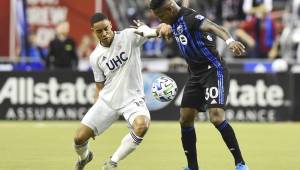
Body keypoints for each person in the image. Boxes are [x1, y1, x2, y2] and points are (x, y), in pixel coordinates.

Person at [149, 0, 249, 170]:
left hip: (213, 70)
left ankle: (240, 164)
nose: (160, 19)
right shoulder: (173, 20)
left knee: (216, 117)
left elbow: (215, 27)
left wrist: (230, 41)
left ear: (170, 9)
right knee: (185, 119)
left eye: (161, 15)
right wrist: (160, 27)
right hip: (195, 74)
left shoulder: (191, 17)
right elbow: (164, 28)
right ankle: (192, 167)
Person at [73, 12, 163, 170]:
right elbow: (100, 86)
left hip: (132, 99)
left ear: (111, 25)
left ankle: (112, 162)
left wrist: (159, 29)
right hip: (108, 101)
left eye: (106, 29)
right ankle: (84, 157)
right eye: (99, 31)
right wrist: (96, 104)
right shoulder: (95, 57)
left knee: (142, 125)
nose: (104, 33)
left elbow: (150, 32)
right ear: (93, 31)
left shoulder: (128, 36)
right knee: (79, 138)